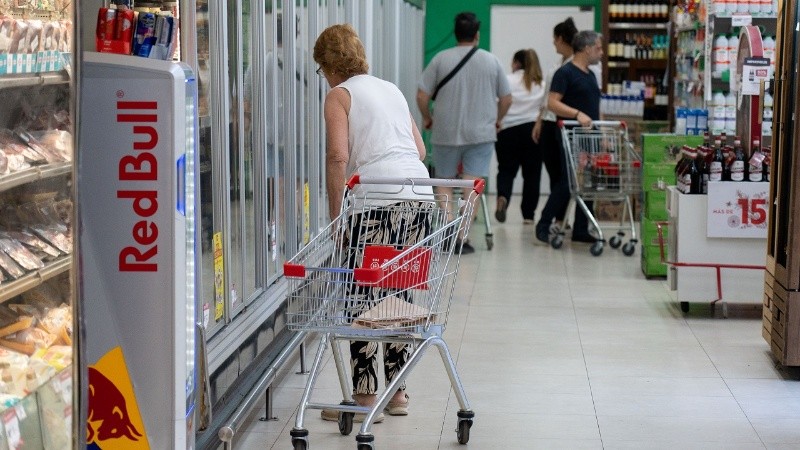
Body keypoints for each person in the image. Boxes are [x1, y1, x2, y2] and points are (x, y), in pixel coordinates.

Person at [313, 24, 433, 423]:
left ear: (328, 65)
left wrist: (336, 216)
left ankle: (365, 400)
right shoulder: (391, 89)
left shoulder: (339, 95)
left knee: (362, 299)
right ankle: (397, 392)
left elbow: (336, 157)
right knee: (398, 293)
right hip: (419, 199)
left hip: (377, 204)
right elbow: (420, 148)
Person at [416, 11, 512, 254]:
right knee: (472, 184)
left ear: (456, 34)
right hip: (481, 132)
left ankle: (448, 229)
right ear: (477, 35)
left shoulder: (440, 59)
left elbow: (422, 95)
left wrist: (428, 117)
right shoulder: (492, 61)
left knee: (445, 182)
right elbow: (507, 98)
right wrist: (498, 120)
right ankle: (463, 236)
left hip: (445, 131)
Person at [536, 29, 604, 244]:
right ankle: (544, 223)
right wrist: (576, 114)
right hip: (570, 134)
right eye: (598, 48)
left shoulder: (591, 75)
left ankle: (581, 229)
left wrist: (600, 132)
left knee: (590, 181)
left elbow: (594, 106)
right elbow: (552, 103)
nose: (601, 53)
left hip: (590, 136)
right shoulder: (565, 73)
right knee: (568, 181)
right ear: (586, 48)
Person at [532, 18, 578, 241]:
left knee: (563, 175)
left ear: (561, 39)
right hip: (549, 123)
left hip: (563, 125)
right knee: (554, 173)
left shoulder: (573, 67)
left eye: (555, 38)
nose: (553, 43)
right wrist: (539, 120)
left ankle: (559, 218)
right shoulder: (559, 64)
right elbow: (546, 98)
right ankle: (560, 218)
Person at [494, 49, 546, 224]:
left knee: (506, 171)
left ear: (516, 63)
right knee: (532, 175)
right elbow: (544, 109)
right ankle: (529, 215)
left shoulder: (508, 80)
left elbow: (500, 102)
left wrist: (498, 121)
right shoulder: (541, 84)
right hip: (533, 132)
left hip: (507, 131)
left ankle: (503, 197)